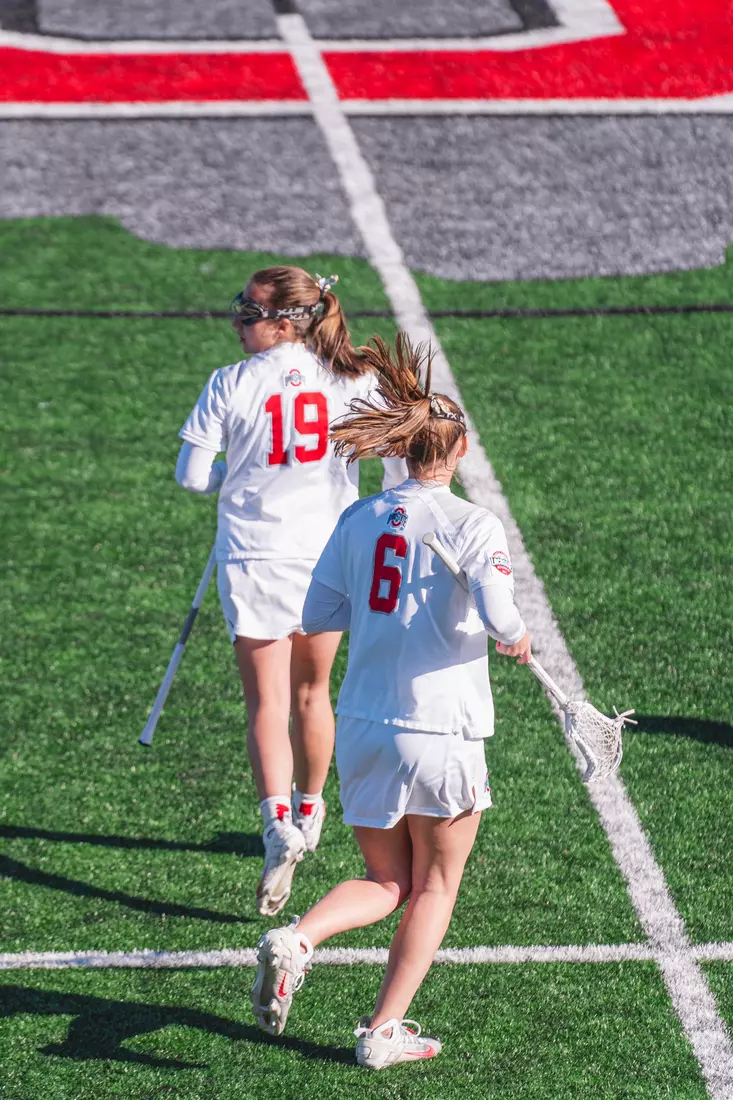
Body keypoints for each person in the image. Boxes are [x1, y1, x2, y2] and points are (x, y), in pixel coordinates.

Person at [251, 334, 532, 1070]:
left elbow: (318, 613)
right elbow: (502, 619)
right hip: (442, 729)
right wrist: (516, 637)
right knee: (434, 883)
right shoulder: (472, 523)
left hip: (363, 725)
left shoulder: (359, 518)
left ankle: (300, 937)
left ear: (402, 449)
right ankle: (382, 1030)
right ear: (459, 449)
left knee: (386, 880)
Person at [175, 269, 406, 917]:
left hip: (254, 557)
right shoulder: (355, 379)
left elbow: (192, 477)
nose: (236, 320)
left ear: (283, 323)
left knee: (267, 701)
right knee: (313, 693)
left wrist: (231, 473)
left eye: (248, 312)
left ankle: (277, 822)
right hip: (327, 556)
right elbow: (396, 466)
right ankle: (309, 810)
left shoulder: (230, 382)